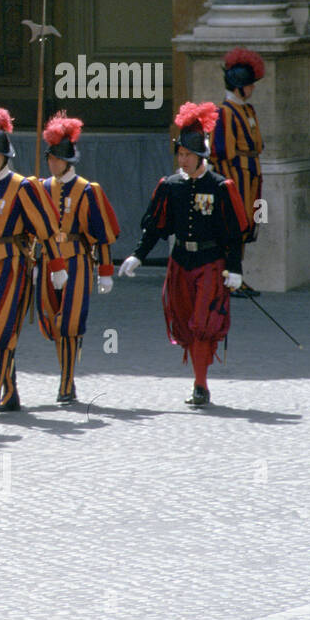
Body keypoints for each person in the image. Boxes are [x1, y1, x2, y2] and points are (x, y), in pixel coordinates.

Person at [119, 102, 250, 406]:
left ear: (201, 155)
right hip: (180, 262)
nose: (183, 159)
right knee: (184, 321)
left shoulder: (220, 187)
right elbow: (155, 227)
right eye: (180, 154)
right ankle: (199, 379)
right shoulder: (170, 186)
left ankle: (200, 385)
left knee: (203, 324)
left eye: (188, 154)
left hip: (210, 264)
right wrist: (138, 255)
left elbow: (233, 233)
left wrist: (235, 269)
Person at [0, 108, 60, 411]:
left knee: (2, 327)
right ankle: (10, 390)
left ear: (6, 155)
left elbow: (46, 227)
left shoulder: (23, 185)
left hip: (13, 260)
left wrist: (56, 265)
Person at [34, 114, 120, 404]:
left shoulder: (87, 189)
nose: (52, 163)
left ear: (68, 160)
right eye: (50, 158)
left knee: (70, 324)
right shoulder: (43, 188)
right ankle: (64, 373)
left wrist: (105, 271)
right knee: (53, 323)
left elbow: (102, 234)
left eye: (57, 159)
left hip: (77, 261)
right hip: (48, 261)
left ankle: (67, 381)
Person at [211, 47, 264, 297]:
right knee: (234, 228)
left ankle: (237, 277)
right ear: (238, 86)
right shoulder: (225, 112)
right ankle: (230, 278)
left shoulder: (247, 110)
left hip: (252, 173)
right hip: (237, 175)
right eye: (249, 84)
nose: (252, 88)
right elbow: (221, 153)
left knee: (246, 227)